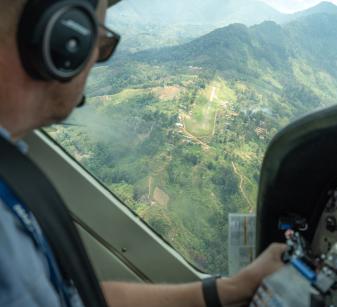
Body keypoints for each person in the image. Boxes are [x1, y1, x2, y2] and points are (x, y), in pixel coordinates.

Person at [0, 0, 286, 306]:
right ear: (65, 39)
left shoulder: (11, 166)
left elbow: (77, 298)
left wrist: (231, 288)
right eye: (101, 42)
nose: (98, 58)